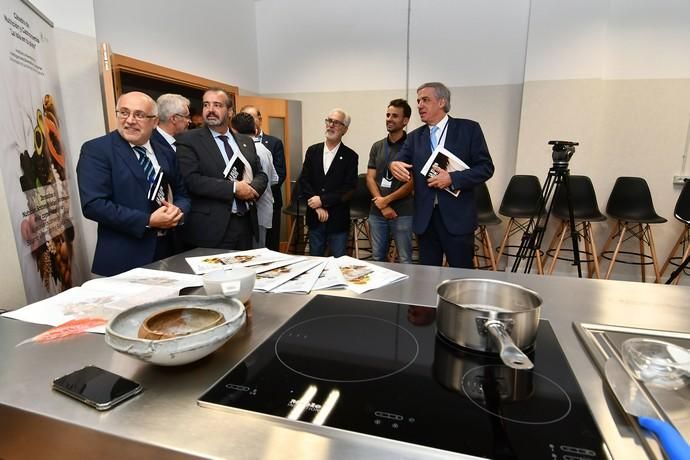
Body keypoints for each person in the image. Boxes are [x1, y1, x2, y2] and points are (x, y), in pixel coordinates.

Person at [77, 91, 190, 276]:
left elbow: (182, 194)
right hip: (126, 258)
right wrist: (148, 221)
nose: (129, 120)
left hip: (170, 253)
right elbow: (94, 205)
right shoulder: (97, 150)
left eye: (139, 115)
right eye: (123, 112)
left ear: (154, 122)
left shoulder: (166, 152)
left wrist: (178, 211)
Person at [390, 82, 494, 268]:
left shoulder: (469, 129)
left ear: (441, 102)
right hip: (426, 220)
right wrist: (394, 164)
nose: (420, 105)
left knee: (461, 276)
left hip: (457, 218)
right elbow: (399, 159)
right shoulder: (414, 137)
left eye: (425, 100)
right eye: (418, 101)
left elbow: (486, 168)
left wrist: (453, 179)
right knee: (427, 278)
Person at [176, 88, 268, 250]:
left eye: (217, 105)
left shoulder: (244, 141)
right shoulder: (189, 140)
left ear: (230, 111)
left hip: (245, 224)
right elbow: (192, 180)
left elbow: (260, 173)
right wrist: (234, 188)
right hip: (211, 229)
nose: (210, 110)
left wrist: (252, 188)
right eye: (206, 105)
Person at [298, 108, 358, 257]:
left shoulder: (351, 156)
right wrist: (317, 206)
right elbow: (305, 181)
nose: (331, 125)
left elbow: (349, 189)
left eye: (336, 122)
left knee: (338, 263)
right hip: (315, 217)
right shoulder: (312, 151)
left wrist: (322, 201)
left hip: (338, 219)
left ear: (345, 129)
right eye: (329, 120)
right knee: (315, 261)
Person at [366, 99, 414, 264]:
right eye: (387, 115)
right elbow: (370, 178)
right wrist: (383, 205)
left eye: (395, 116)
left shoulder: (412, 146)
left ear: (405, 120)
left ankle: (406, 291)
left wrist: (386, 201)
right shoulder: (377, 146)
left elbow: (411, 184)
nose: (389, 119)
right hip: (377, 211)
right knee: (378, 258)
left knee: (405, 259)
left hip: (403, 212)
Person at [240, 105, 286, 252]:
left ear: (259, 119)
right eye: (244, 116)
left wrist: (256, 190)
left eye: (251, 117)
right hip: (245, 205)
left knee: (271, 246)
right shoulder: (236, 143)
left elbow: (279, 175)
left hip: (268, 200)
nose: (247, 120)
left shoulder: (273, 143)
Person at [231, 112, 279, 248]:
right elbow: (275, 179)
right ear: (255, 130)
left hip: (255, 211)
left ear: (234, 132)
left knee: (254, 255)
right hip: (264, 208)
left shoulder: (247, 151)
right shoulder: (265, 150)